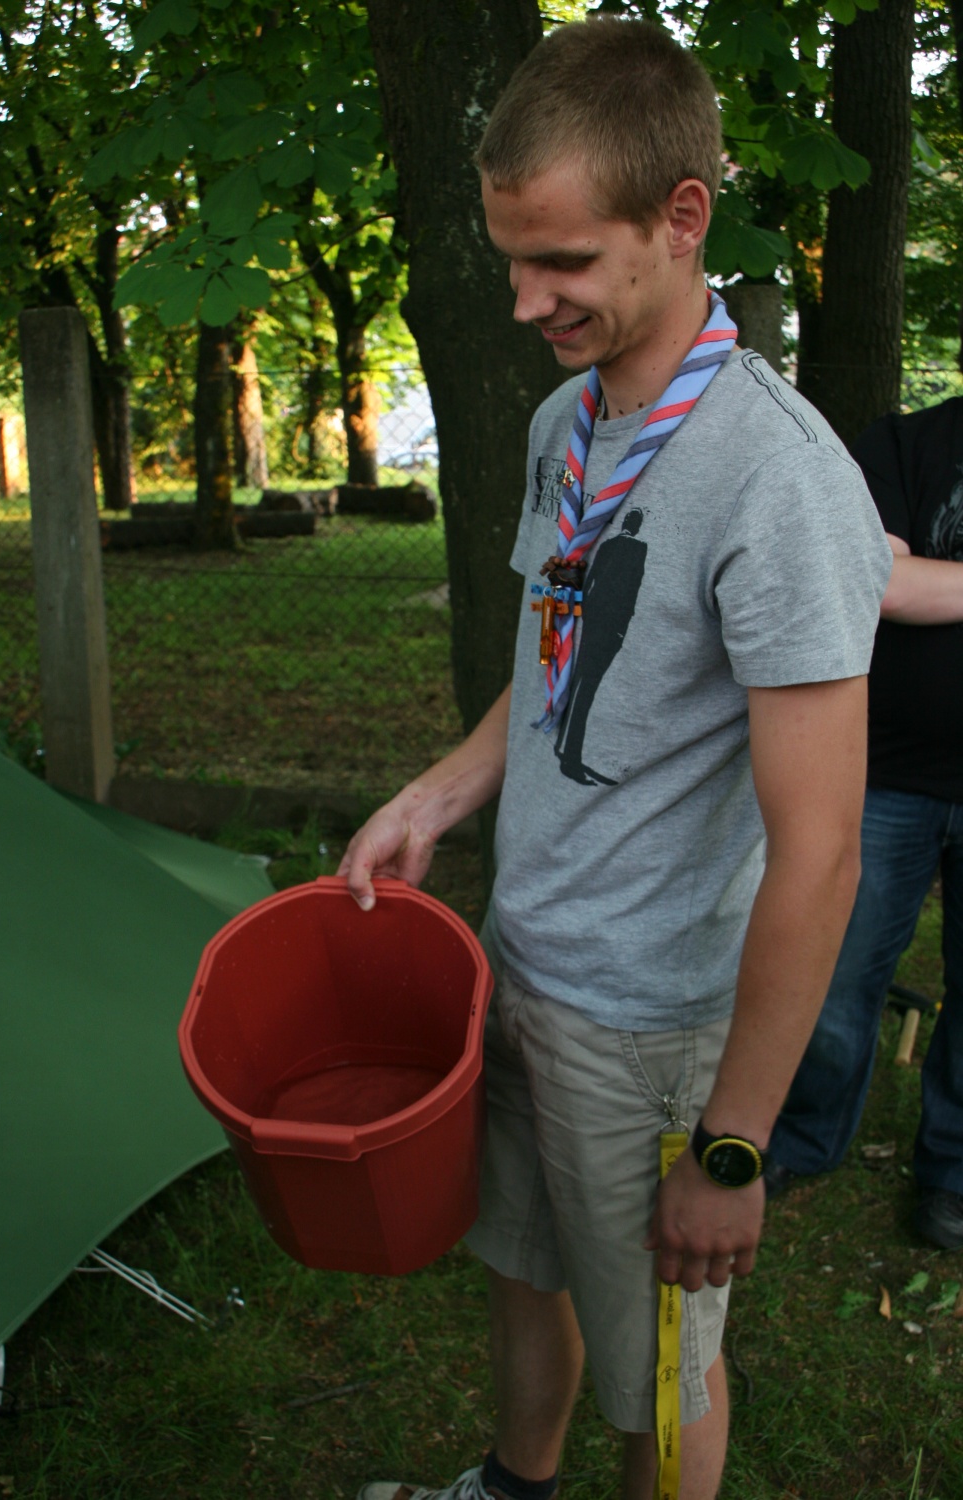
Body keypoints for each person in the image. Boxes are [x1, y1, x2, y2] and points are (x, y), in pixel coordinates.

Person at [340, 18, 890, 1500]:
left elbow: (823, 852)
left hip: (652, 1029)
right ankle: (512, 1486)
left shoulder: (780, 480)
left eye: (564, 263)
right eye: (511, 260)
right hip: (522, 958)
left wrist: (732, 1150)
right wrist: (437, 796)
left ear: (681, 216)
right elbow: (551, 671)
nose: (526, 301)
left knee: (662, 1372)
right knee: (526, 1275)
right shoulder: (564, 423)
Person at [766, 325, 963, 1249]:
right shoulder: (902, 443)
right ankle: (802, 1138)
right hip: (885, 771)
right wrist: (907, 577)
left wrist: (939, 579)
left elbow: (917, 578)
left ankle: (952, 1174)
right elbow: (874, 576)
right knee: (835, 974)